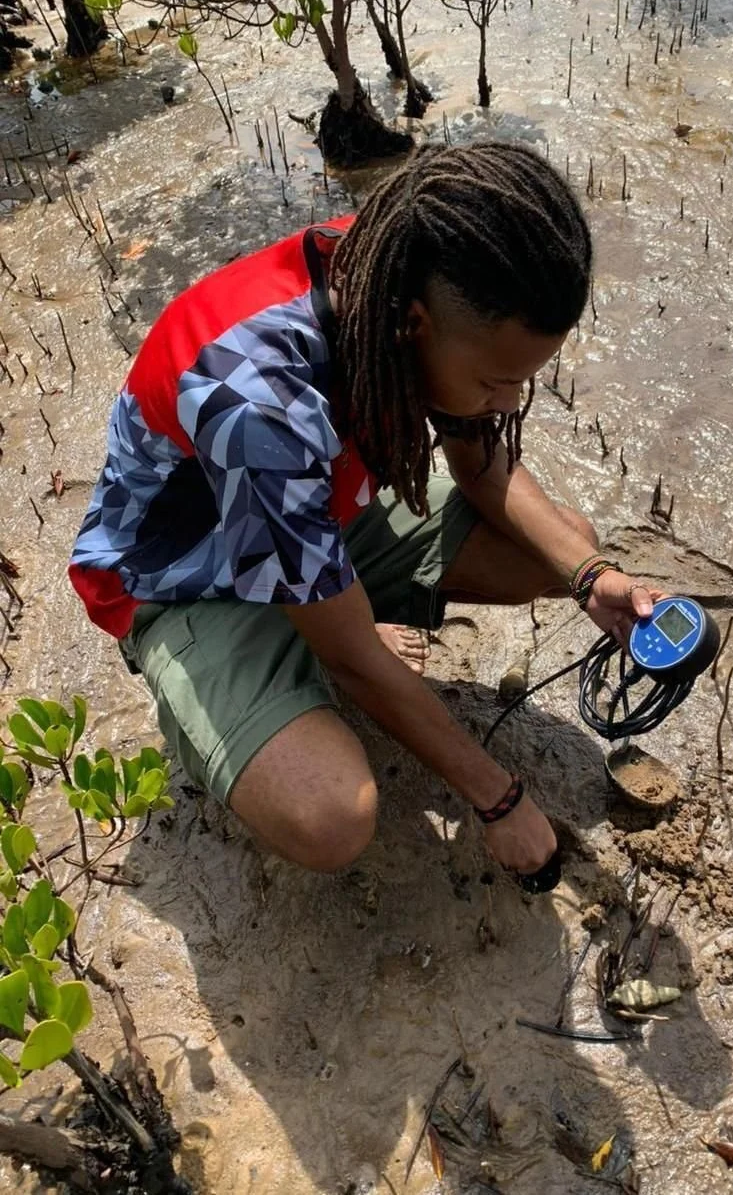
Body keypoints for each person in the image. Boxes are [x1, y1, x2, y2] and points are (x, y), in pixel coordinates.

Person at [69, 141, 660, 882]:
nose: (510, 404)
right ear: (414, 325)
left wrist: (592, 576)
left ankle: (327, 611)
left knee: (560, 543)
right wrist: (499, 799)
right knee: (331, 815)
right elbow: (353, 658)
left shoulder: (407, 265)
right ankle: (216, 673)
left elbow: (481, 466)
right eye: (496, 382)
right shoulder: (260, 407)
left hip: (311, 511)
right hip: (184, 576)